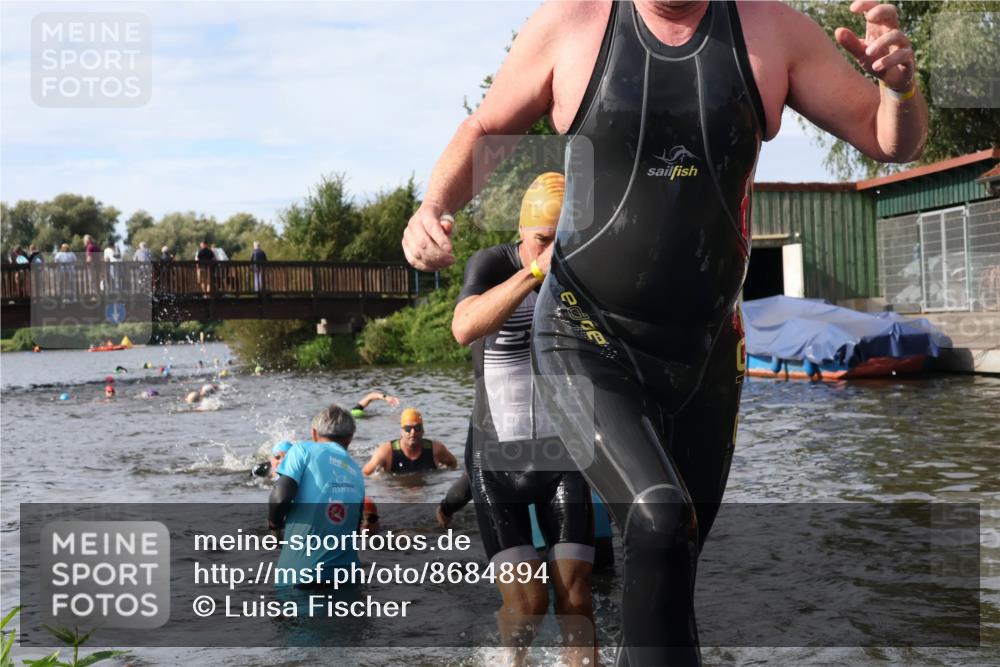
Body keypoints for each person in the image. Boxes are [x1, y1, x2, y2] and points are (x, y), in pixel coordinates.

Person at [401, 2, 927, 664]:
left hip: (707, 355)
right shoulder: (573, 25)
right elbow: (486, 126)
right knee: (658, 517)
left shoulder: (771, 30)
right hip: (582, 339)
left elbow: (889, 140)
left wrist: (901, 89)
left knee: (671, 562)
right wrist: (433, 206)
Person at [452, 172, 597, 665]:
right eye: (543, 240)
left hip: (562, 457)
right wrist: (537, 273)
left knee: (577, 603)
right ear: (523, 235)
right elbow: (463, 326)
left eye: (564, 240)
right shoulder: (493, 263)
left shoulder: (587, 270)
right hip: (497, 465)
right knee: (530, 607)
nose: (555, 250)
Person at [268, 405, 366, 578]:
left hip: (301, 574)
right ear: (350, 438)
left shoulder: (301, 450)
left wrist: (274, 528)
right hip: (348, 575)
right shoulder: (356, 470)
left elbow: (280, 496)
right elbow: (356, 528)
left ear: (314, 433)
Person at [361, 408, 457, 475]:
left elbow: (454, 465)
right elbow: (366, 473)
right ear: (401, 431)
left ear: (423, 431)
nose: (413, 432)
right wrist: (379, 480)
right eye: (408, 428)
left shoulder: (436, 449)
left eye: (417, 428)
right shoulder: (386, 451)